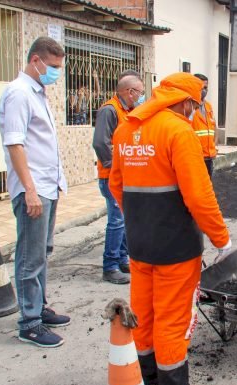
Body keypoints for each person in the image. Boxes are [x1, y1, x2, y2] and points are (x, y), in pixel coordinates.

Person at [109, 72, 232, 385]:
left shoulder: (126, 129)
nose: (195, 109)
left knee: (145, 314)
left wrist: (140, 217)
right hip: (175, 247)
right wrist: (221, 239)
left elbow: (115, 185)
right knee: (172, 320)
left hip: (139, 242)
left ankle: (145, 379)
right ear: (186, 101)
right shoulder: (179, 131)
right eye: (195, 103)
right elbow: (200, 197)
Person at [0, 36, 70, 348]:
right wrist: (29, 190)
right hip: (33, 188)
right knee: (30, 257)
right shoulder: (18, 93)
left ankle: (39, 308)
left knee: (42, 253)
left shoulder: (37, 93)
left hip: (47, 185)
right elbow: (15, 144)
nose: (56, 73)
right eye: (53, 66)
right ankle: (29, 323)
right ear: (35, 60)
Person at [92, 70, 145, 284]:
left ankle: (123, 260)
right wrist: (114, 168)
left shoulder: (128, 111)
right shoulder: (109, 110)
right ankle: (110, 266)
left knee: (125, 221)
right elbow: (100, 143)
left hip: (125, 177)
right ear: (130, 92)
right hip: (111, 177)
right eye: (141, 92)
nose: (142, 96)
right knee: (116, 221)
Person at [192, 73, 217, 178]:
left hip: (209, 157)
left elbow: (214, 128)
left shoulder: (208, 106)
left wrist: (214, 146)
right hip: (195, 158)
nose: (204, 90)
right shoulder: (189, 107)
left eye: (206, 87)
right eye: (201, 87)